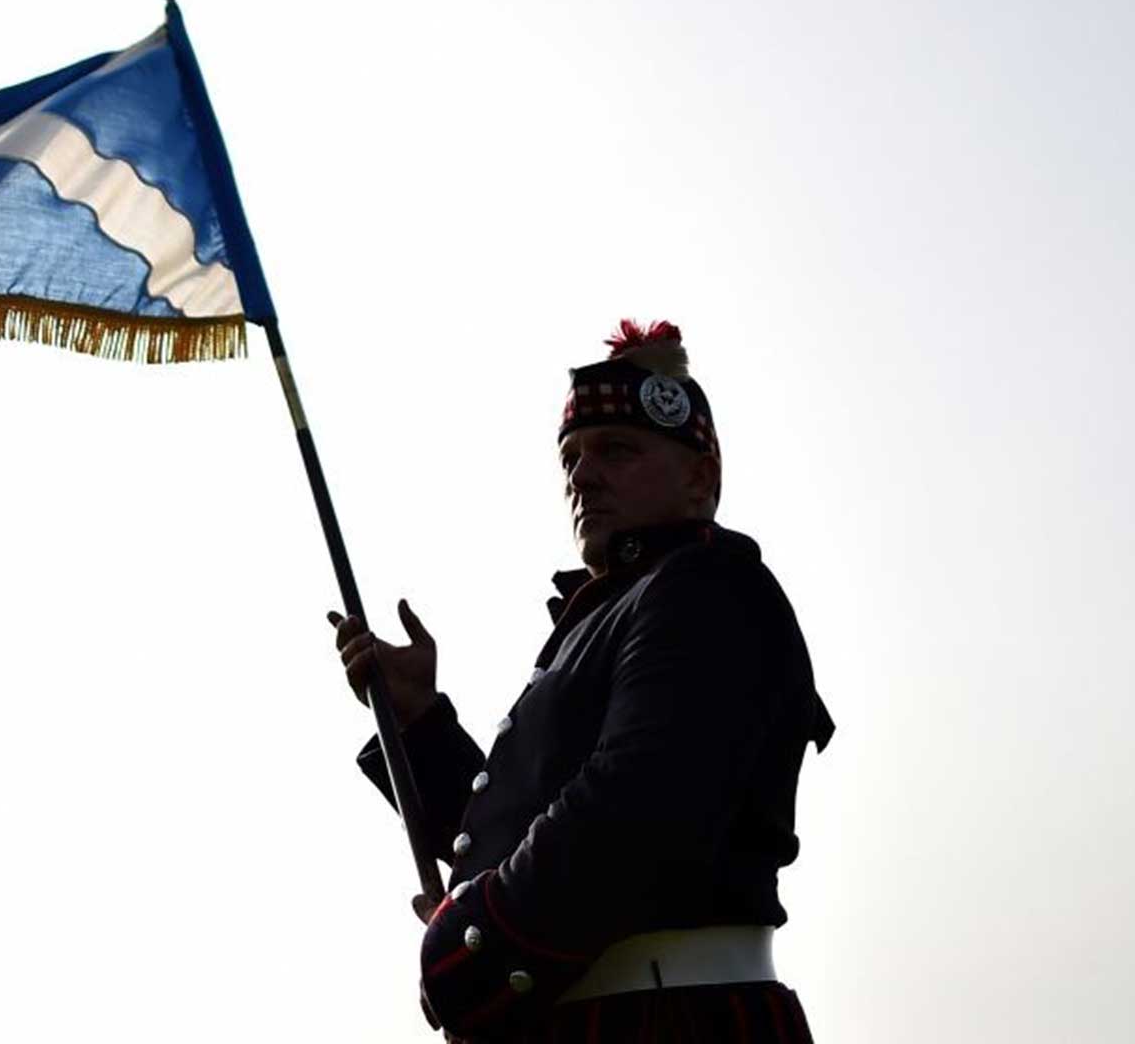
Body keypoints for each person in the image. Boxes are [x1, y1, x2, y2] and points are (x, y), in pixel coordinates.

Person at [328, 321, 833, 1043]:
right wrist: (420, 727)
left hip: (672, 1023)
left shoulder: (709, 587)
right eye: (571, 458)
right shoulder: (607, 615)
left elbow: (634, 809)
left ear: (701, 477)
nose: (582, 476)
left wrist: (470, 937)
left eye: (616, 451)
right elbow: (525, 834)